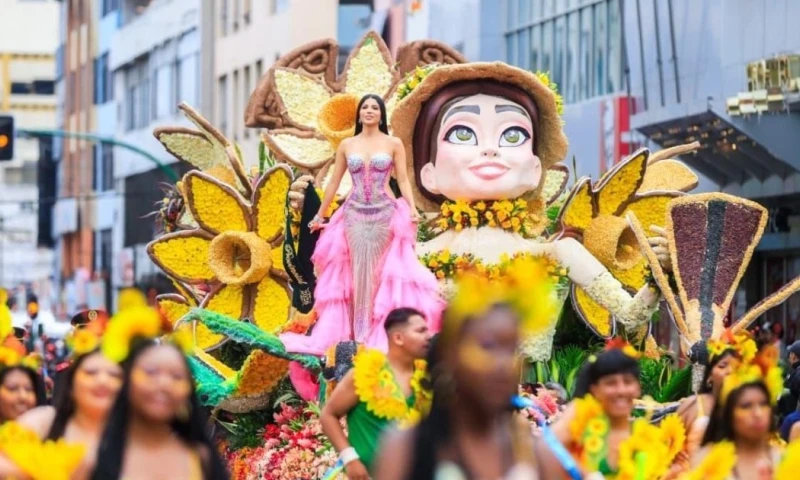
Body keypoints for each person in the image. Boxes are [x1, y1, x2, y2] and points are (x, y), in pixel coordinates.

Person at [280, 94, 444, 357]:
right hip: (354, 215)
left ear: (381, 114)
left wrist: (412, 207)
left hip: (385, 214)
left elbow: (402, 179)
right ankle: (355, 337)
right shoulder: (347, 144)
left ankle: (378, 338)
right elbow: (334, 182)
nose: (369, 111)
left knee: (381, 275)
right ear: (359, 114)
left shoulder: (393, 143)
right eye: (365, 107)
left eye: (374, 108)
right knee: (355, 275)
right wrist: (320, 216)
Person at [373, 259, 557, 480]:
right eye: (488, 346)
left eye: (512, 349)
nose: (503, 364)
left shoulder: (533, 453)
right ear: (451, 354)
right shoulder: (405, 449)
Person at [90, 337, 227, 480]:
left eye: (177, 376)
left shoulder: (202, 459)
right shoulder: (93, 458)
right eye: (151, 372)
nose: (164, 384)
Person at [320, 307, 432, 479]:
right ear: (398, 338)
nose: (428, 336)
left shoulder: (427, 377)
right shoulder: (365, 373)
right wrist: (350, 459)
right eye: (420, 331)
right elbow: (328, 415)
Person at [539, 345, 642, 478]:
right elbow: (546, 446)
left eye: (628, 382)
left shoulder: (647, 436)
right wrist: (586, 474)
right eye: (611, 383)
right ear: (595, 390)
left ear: (638, 388)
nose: (621, 390)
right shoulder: (581, 423)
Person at [694, 365, 783, 479]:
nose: (758, 414)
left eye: (763, 404)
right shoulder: (706, 461)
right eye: (746, 406)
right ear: (728, 413)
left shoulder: (785, 459)